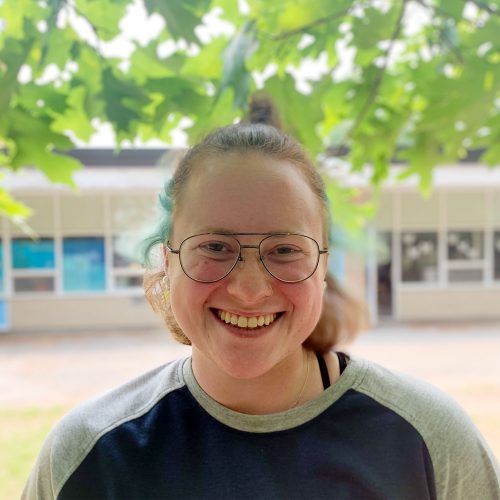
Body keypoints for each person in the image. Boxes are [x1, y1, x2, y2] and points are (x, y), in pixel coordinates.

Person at [23, 115, 499, 499]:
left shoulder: (426, 441)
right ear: (168, 263)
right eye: (214, 246)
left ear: (323, 266)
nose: (249, 290)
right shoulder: (90, 454)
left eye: (285, 250)